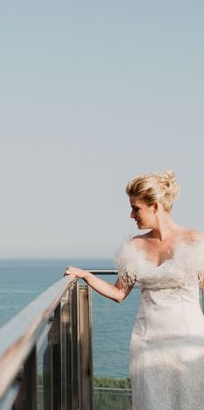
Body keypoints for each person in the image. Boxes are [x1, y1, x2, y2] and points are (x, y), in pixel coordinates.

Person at [65, 170, 204, 410]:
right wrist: (86, 275)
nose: (131, 215)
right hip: (147, 342)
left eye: (135, 208)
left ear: (155, 206)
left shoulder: (194, 240)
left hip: (188, 341)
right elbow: (119, 293)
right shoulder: (134, 246)